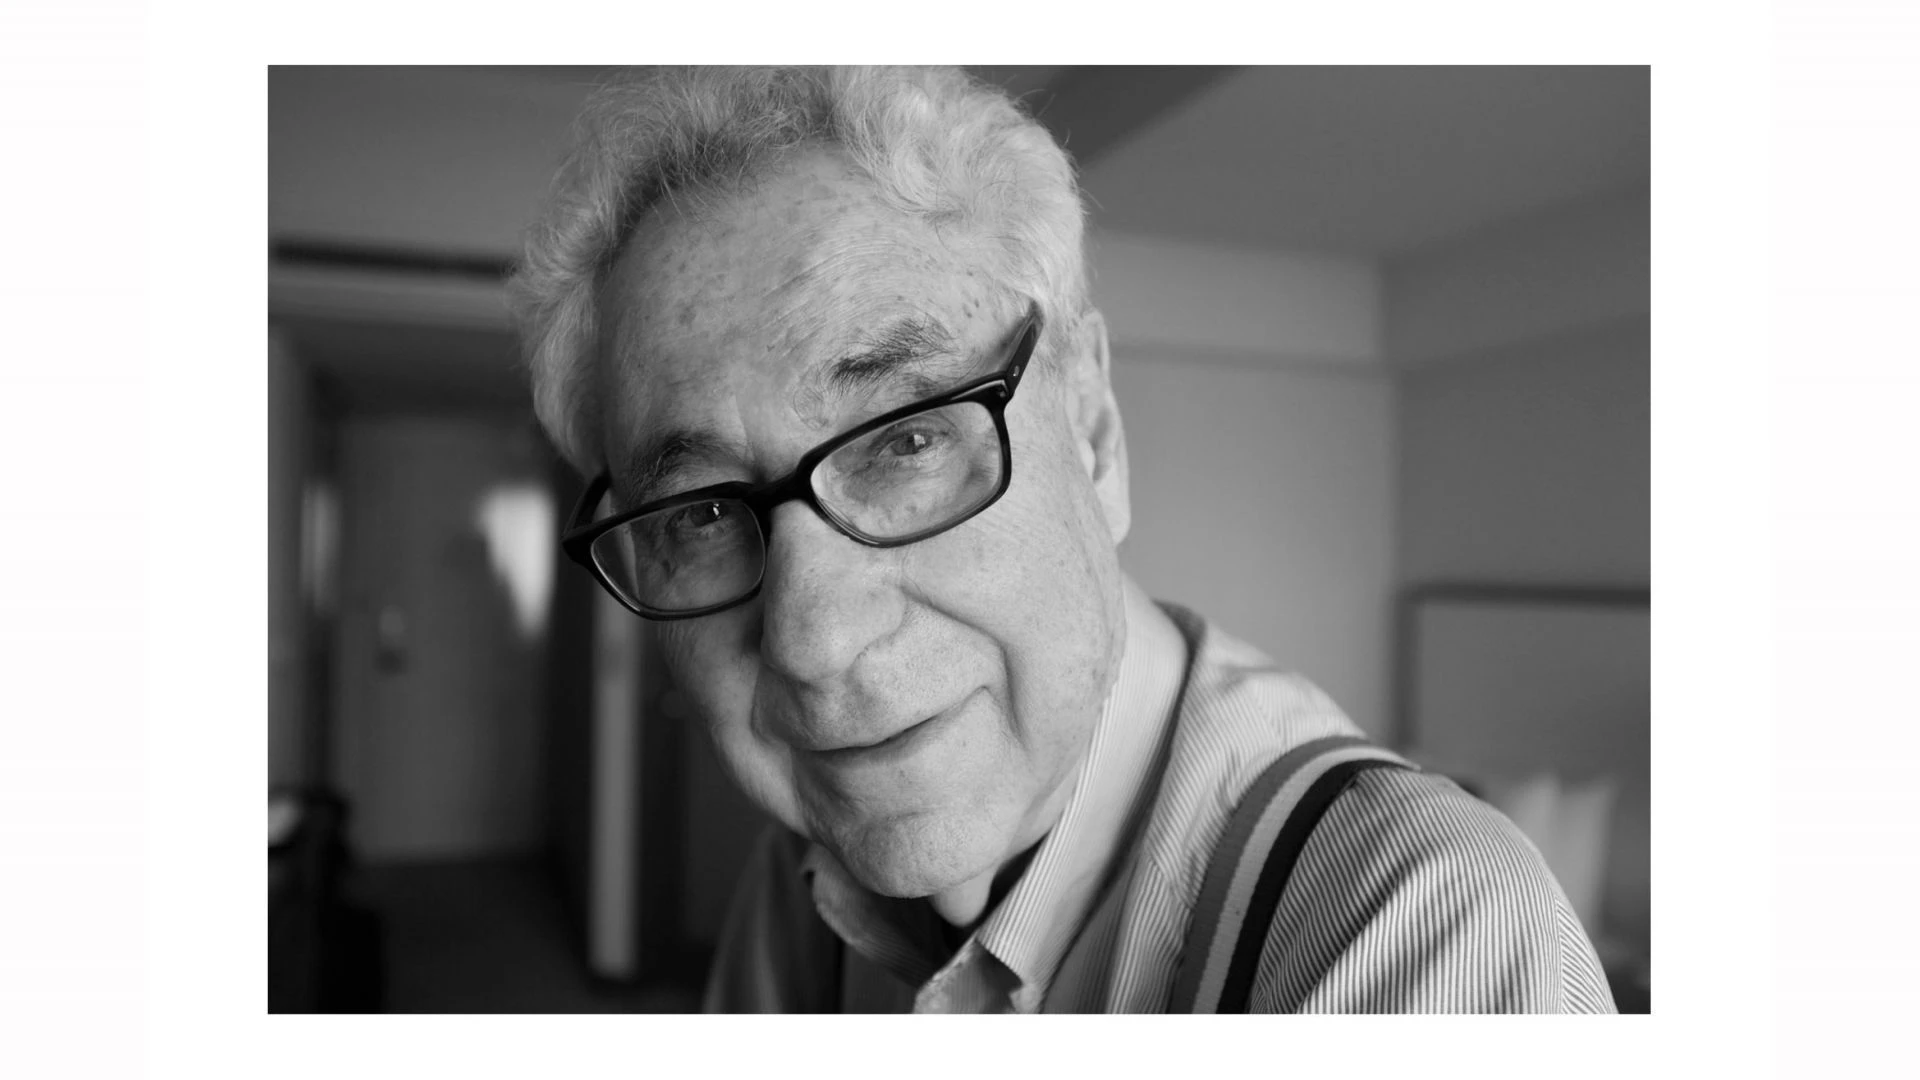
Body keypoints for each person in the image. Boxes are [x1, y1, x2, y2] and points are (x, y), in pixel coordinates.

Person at [508, 65, 1615, 1013]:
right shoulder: (803, 868)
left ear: (1091, 429)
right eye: (701, 513)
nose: (813, 642)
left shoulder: (1423, 939)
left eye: (904, 442)